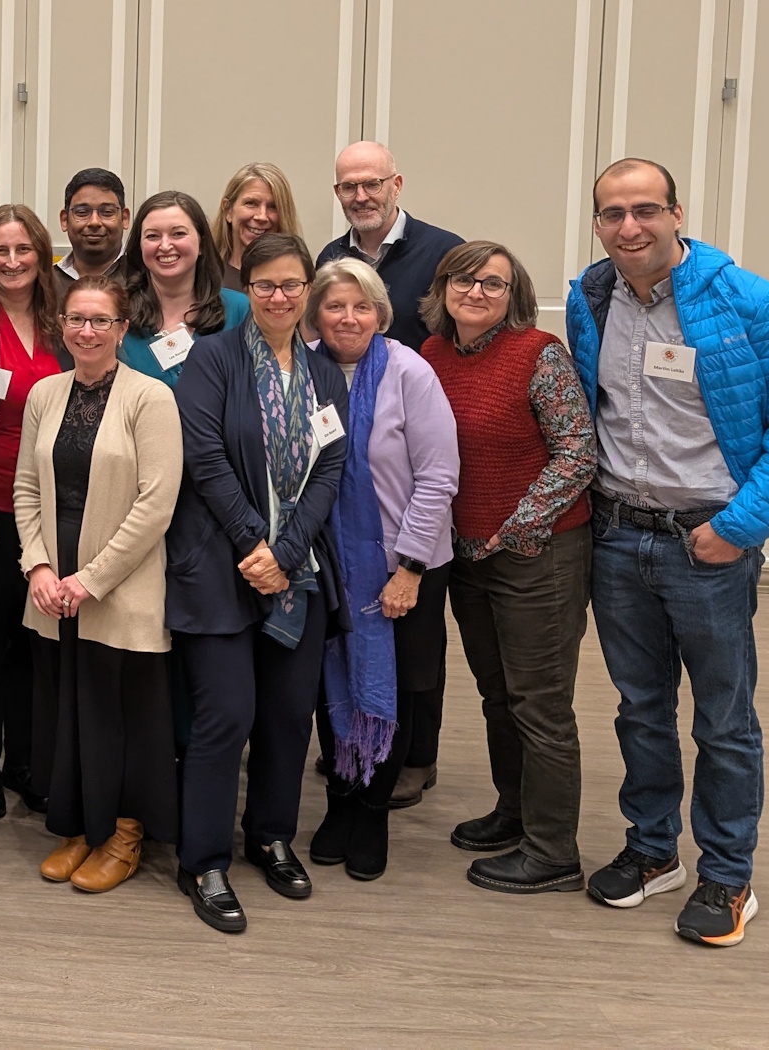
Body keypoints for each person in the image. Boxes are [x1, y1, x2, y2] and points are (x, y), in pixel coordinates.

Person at [571, 159, 769, 946]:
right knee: (640, 706)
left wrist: (738, 527)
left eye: (646, 210)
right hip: (620, 535)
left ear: (677, 213)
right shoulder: (589, 297)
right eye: (613, 213)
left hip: (709, 544)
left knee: (723, 719)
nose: (630, 227)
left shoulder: (749, 299)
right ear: (597, 222)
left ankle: (728, 872)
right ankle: (655, 850)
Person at [169, 232, 348, 933]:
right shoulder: (212, 357)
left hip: (295, 573)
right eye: (267, 285)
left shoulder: (323, 372)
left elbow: (330, 468)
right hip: (220, 566)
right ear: (250, 288)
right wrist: (255, 541)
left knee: (286, 716)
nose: (279, 297)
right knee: (225, 717)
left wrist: (287, 549)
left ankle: (271, 835)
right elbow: (204, 456)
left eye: (292, 286)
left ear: (307, 291)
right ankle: (204, 859)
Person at [418, 240, 595, 896]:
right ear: (443, 289)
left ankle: (553, 851)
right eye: (465, 280)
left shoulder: (537, 353)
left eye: (493, 283)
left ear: (512, 293)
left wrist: (517, 527)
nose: (477, 292)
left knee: (540, 704)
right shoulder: (433, 355)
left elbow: (577, 451)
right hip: (467, 554)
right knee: (498, 696)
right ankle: (513, 812)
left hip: (537, 555)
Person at [16, 274, 183, 894]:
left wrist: (89, 581)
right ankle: (81, 827)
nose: (87, 331)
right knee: (69, 709)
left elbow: (157, 502)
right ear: (62, 325)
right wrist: (36, 566)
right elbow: (26, 487)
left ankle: (124, 833)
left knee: (125, 713)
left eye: (101, 322)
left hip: (122, 582)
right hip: (52, 582)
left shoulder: (151, 397)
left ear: (122, 329)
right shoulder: (45, 393)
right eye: (77, 320)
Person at [302, 258, 459, 881]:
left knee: (395, 689)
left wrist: (411, 568)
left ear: (380, 314)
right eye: (335, 306)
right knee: (326, 682)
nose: (348, 318)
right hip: (322, 565)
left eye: (361, 307)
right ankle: (339, 802)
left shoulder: (408, 371)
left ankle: (373, 812)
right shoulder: (301, 370)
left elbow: (438, 476)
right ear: (316, 313)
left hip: (402, 564)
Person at [0, 203, 65, 818]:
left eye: (25, 249)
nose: (13, 261)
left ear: (43, 254)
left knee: (37, 643)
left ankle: (29, 760)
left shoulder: (63, 323)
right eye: (0, 250)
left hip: (53, 507)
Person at [316, 141, 463, 355]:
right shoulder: (330, 259)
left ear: (397, 186)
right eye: (349, 187)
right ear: (337, 192)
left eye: (372, 184)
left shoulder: (445, 253)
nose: (361, 197)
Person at [117, 191, 249, 386]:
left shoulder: (240, 309)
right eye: (152, 236)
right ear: (140, 246)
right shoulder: (116, 311)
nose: (165, 245)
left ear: (202, 243)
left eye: (178, 233)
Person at [212, 163, 302, 292]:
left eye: (273, 206)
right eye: (251, 203)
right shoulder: (205, 280)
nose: (262, 216)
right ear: (228, 210)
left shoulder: (299, 283)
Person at [56, 169, 128, 288]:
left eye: (107, 212)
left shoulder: (147, 278)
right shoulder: (44, 284)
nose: (94, 222)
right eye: (82, 212)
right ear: (64, 220)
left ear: (125, 219)